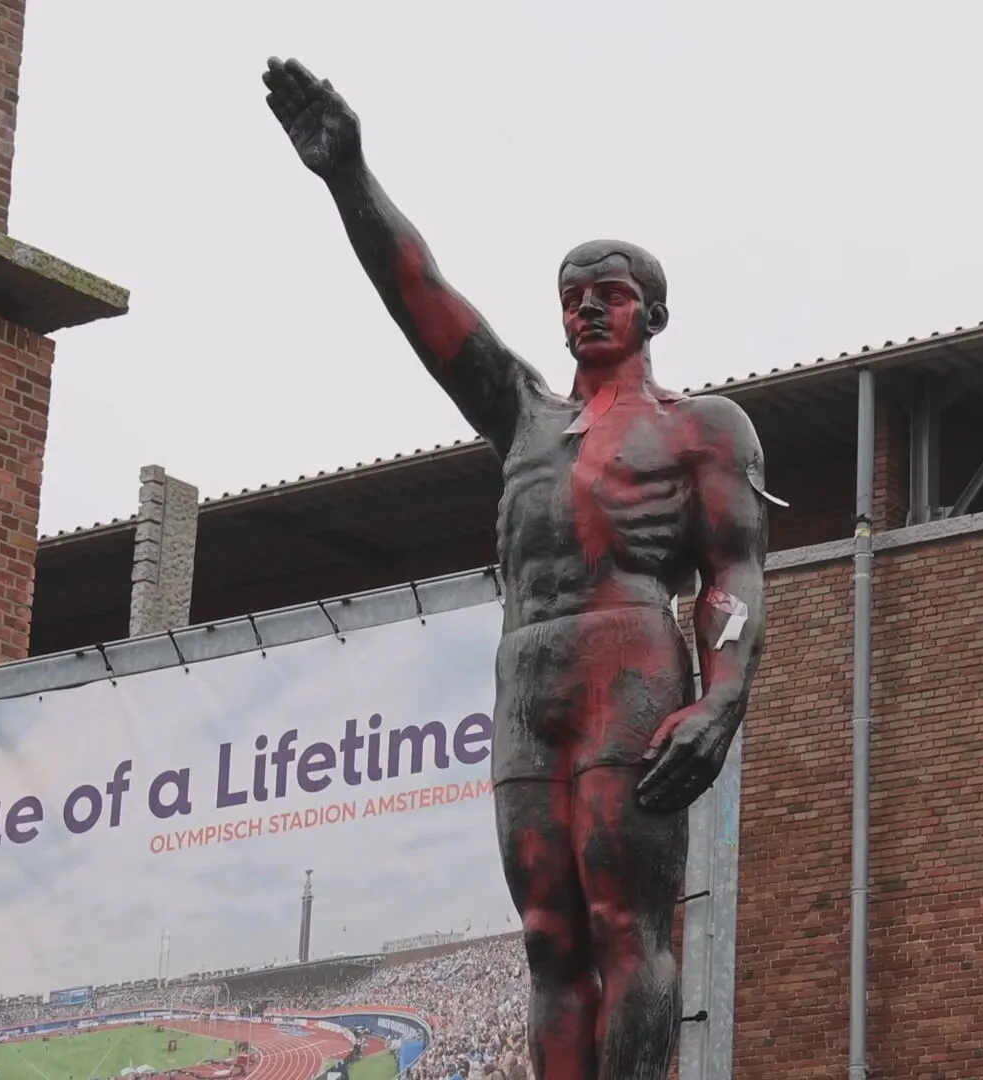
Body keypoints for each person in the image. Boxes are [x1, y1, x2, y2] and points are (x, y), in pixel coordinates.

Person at [263, 57, 770, 1080]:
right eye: (574, 297)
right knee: (549, 938)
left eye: (611, 296)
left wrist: (720, 703)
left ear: (651, 314)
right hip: (527, 679)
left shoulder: (701, 428)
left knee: (626, 925)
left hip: (628, 666)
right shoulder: (524, 418)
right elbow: (423, 297)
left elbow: (735, 573)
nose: (588, 310)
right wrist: (349, 177)